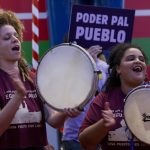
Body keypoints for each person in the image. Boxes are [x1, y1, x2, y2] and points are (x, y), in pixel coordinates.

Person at [0, 9, 81, 150]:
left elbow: (53, 121)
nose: (15, 39)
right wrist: (18, 96)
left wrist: (66, 113)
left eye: (15, 35)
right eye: (7, 38)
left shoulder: (33, 77)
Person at [79, 43, 150, 150]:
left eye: (141, 59)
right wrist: (103, 124)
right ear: (118, 69)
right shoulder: (105, 98)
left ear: (145, 71)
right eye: (131, 58)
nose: (138, 61)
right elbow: (85, 143)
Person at [61, 45, 109, 150]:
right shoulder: (68, 67)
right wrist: (84, 64)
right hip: (74, 137)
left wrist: (93, 64)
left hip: (98, 135)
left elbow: (104, 94)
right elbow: (65, 93)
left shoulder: (105, 67)